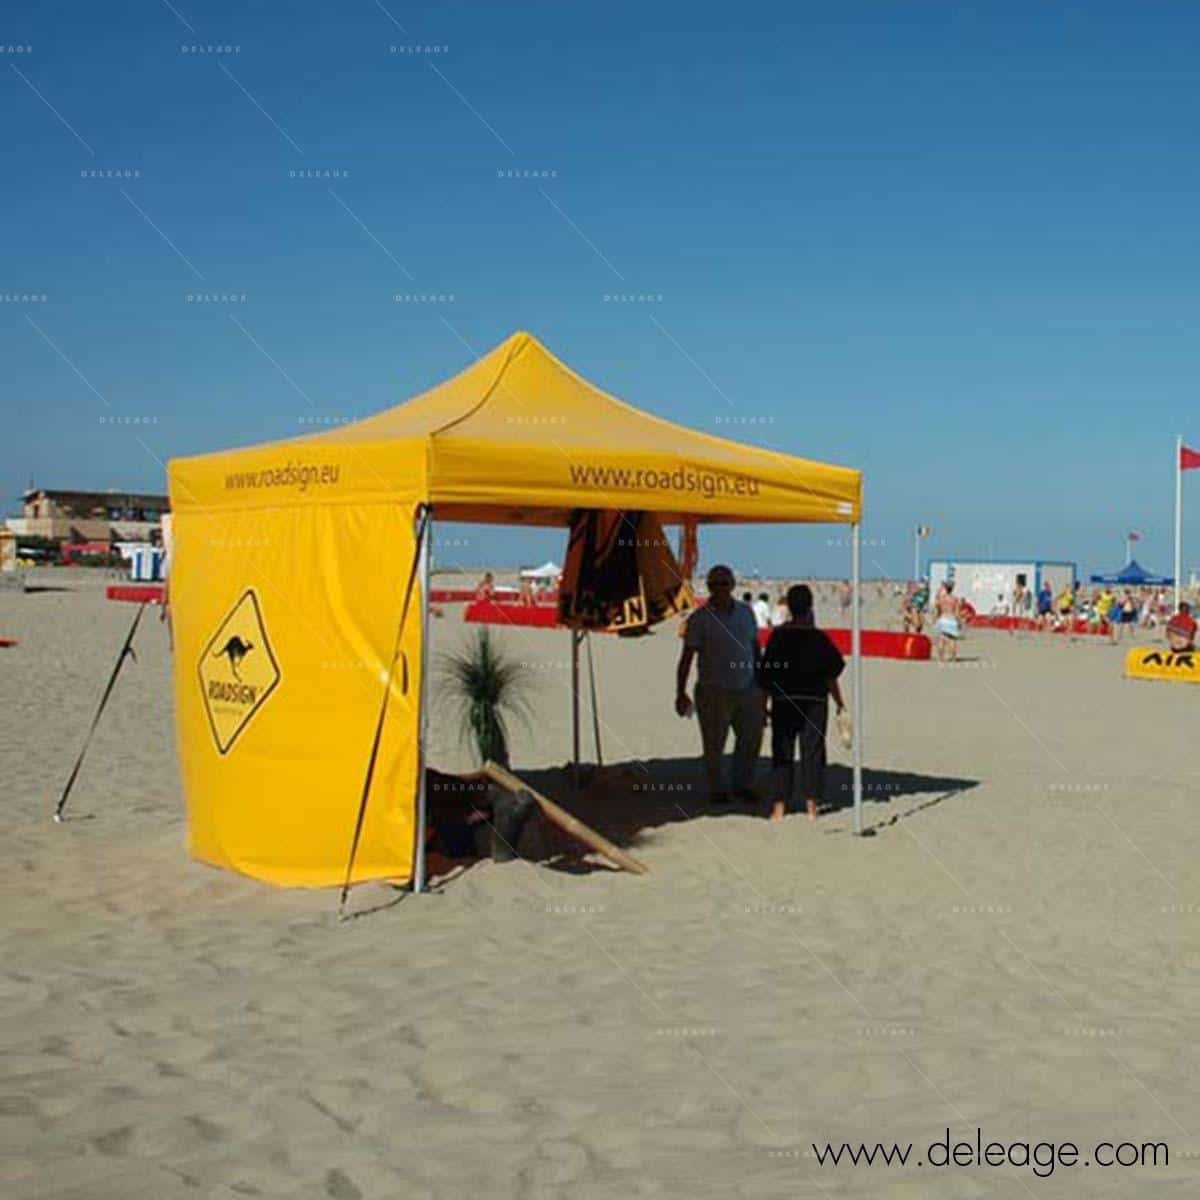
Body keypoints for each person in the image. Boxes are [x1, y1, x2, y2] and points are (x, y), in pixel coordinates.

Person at [676, 565, 765, 806]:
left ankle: (743, 785)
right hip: (713, 689)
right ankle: (717, 789)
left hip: (748, 687)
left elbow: (755, 649)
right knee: (714, 744)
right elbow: (687, 656)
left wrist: (763, 684)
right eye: (715, 585)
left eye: (724, 584)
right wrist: (680, 692)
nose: (720, 589)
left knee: (750, 740)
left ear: (733, 585)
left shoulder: (746, 613)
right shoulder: (700, 619)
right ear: (709, 588)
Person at [756, 585, 846, 822]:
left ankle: (779, 806)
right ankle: (811, 806)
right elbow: (831, 675)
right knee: (813, 752)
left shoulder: (779, 636)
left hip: (784, 701)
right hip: (814, 701)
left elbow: (767, 675)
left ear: (788, 607)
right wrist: (840, 702)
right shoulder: (818, 637)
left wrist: (762, 705)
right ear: (810, 606)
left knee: (782, 751)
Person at [932, 581, 962, 661]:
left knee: (941, 639)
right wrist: (959, 622)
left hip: (943, 619)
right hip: (951, 619)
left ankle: (940, 657)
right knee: (952, 640)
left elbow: (936, 609)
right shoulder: (955, 599)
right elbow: (957, 612)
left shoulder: (941, 598)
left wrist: (935, 619)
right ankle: (953, 657)